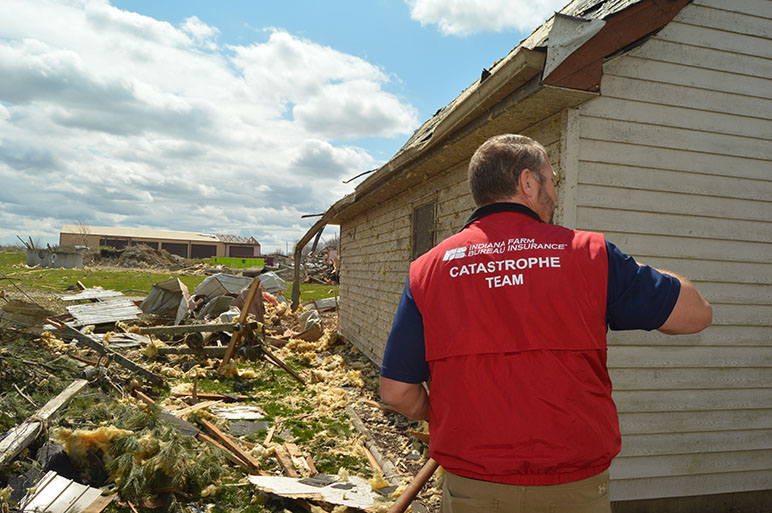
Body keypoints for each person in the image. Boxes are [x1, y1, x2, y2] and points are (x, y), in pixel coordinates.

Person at [379, 134, 712, 512]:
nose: (554, 192)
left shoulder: (428, 269)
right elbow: (697, 314)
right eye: (552, 180)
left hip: (474, 488)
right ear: (528, 183)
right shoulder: (590, 255)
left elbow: (396, 392)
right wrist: (631, 274)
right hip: (573, 491)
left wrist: (442, 410)